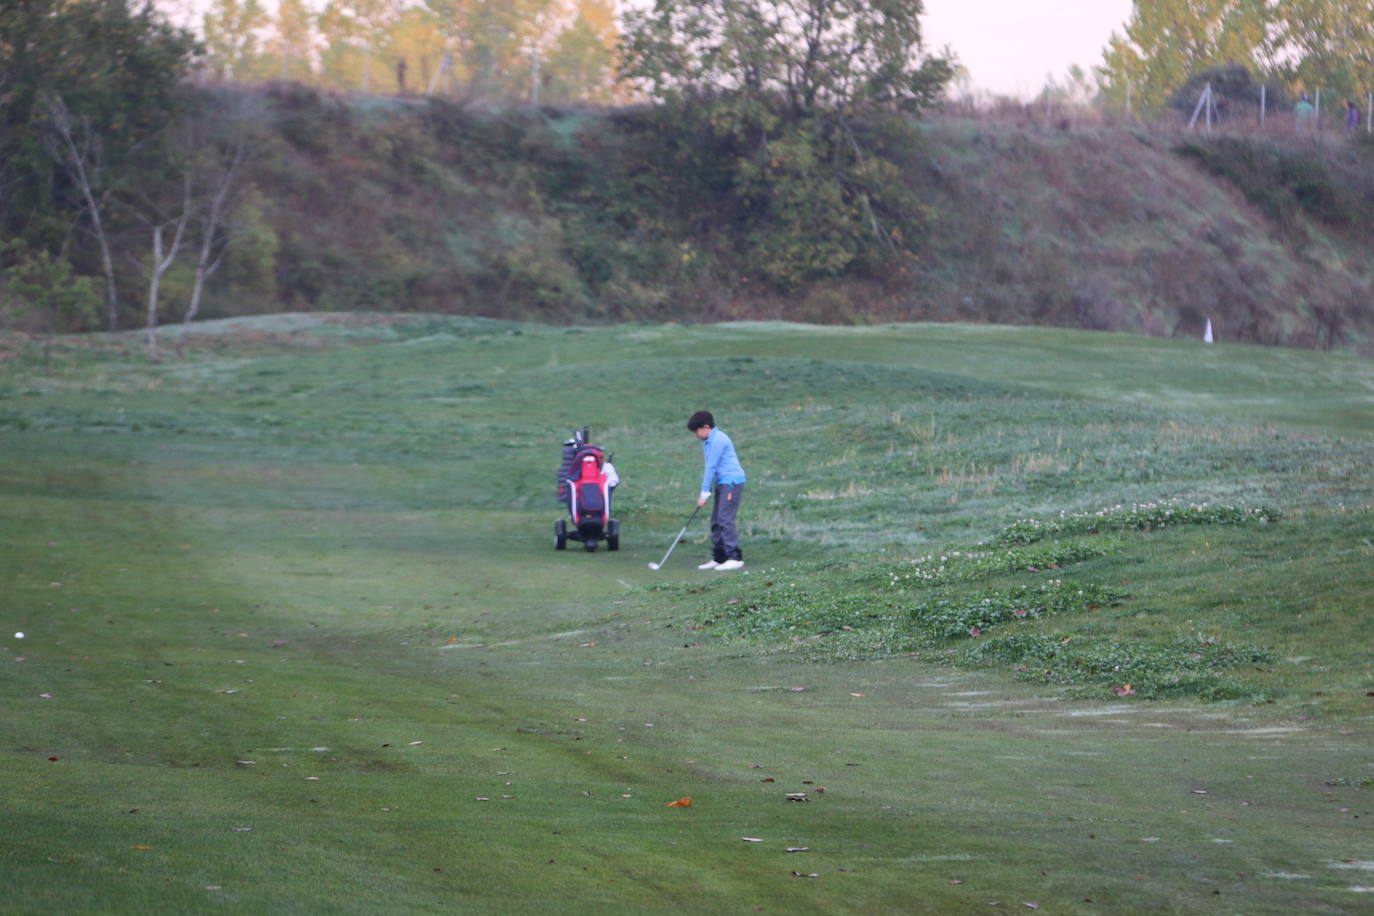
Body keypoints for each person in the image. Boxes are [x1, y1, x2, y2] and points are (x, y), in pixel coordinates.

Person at [686, 410, 746, 571]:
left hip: (732, 482)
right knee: (716, 520)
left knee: (725, 519)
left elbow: (710, 467)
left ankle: (735, 557)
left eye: (697, 431)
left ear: (706, 427)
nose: (696, 435)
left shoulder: (719, 440)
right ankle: (720, 557)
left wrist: (704, 493)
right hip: (722, 483)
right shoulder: (708, 442)